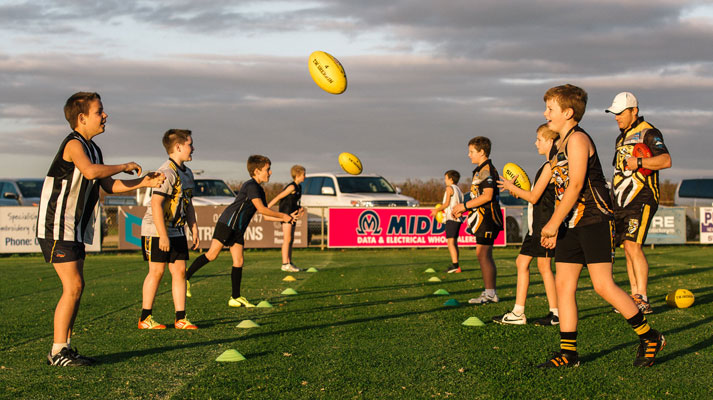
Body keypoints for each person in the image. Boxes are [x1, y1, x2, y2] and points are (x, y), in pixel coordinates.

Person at [537, 84, 665, 368]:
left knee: (603, 285)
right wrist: (558, 224)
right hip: (572, 223)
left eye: (550, 108)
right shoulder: (557, 145)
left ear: (568, 113)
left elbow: (576, 185)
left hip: (595, 220)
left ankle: (649, 336)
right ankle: (569, 354)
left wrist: (552, 224)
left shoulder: (578, 140)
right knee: (563, 286)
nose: (545, 113)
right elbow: (560, 191)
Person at [37, 92, 164, 366]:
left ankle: (65, 348)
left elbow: (108, 186)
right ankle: (57, 351)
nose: (105, 115)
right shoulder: (73, 144)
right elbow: (92, 172)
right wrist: (125, 165)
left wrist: (144, 182)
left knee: (77, 288)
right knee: (73, 286)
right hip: (57, 227)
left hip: (74, 228)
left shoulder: (93, 148)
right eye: (99, 111)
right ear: (82, 118)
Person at [184, 155, 297, 306]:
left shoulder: (260, 190)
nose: (270, 173)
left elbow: (265, 216)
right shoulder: (251, 186)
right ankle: (184, 278)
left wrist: (285, 218)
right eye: (267, 169)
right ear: (256, 171)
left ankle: (235, 297)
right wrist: (283, 215)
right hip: (228, 224)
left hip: (238, 229)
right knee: (212, 254)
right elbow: (262, 209)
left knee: (239, 261)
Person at [606, 92, 672, 314]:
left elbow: (666, 160)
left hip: (642, 196)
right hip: (621, 200)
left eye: (620, 113)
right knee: (627, 247)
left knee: (634, 245)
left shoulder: (649, 132)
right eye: (614, 114)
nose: (617, 117)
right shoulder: (620, 138)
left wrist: (640, 161)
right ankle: (634, 296)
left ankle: (642, 297)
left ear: (634, 110)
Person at [493, 124, 559, 326]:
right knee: (524, 263)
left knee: (544, 267)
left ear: (549, 141)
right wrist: (516, 191)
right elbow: (533, 198)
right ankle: (520, 312)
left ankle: (555, 313)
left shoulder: (550, 166)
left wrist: (511, 187)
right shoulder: (546, 165)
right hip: (536, 226)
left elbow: (534, 195)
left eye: (539, 139)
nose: (535, 142)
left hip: (544, 226)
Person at [138, 129, 200, 330]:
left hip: (177, 230)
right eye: (190, 144)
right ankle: (145, 318)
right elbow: (156, 204)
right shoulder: (166, 172)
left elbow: (188, 203)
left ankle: (180, 318)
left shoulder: (188, 173)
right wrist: (162, 235)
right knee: (156, 271)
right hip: (156, 230)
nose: (193, 148)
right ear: (178, 147)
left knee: (180, 271)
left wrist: (194, 227)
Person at [452, 137, 503, 304]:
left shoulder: (486, 169)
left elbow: (487, 196)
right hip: (482, 218)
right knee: (482, 254)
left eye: (472, 151)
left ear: (482, 152)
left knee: (483, 254)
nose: (469, 155)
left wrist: (464, 206)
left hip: (488, 218)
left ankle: (490, 293)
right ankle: (489, 292)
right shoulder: (480, 169)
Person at [267, 165, 306, 273]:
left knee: (291, 240)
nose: (305, 176)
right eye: (303, 174)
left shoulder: (299, 187)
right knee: (287, 239)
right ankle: (285, 264)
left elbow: (293, 201)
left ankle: (289, 262)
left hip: (292, 215)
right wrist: (266, 208)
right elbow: (279, 197)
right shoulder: (292, 187)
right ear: (297, 175)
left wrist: (300, 208)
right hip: (286, 215)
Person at [430, 170, 464, 273]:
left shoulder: (449, 188)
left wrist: (436, 210)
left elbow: (446, 204)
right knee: (454, 243)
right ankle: (457, 266)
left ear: (451, 179)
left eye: (445, 178)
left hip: (451, 218)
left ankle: (455, 265)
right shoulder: (459, 190)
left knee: (450, 243)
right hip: (457, 219)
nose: (444, 180)